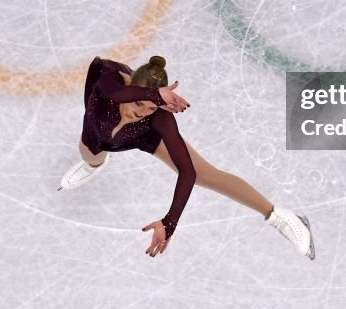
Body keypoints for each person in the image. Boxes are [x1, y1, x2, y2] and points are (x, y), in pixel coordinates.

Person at [60, 55, 315, 259]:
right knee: (89, 153)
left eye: (150, 108)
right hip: (95, 129)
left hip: (140, 137)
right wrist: (153, 96)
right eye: (139, 104)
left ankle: (283, 217)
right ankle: (96, 163)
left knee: (206, 175)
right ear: (131, 87)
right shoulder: (110, 78)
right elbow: (115, 95)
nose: (142, 112)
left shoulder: (156, 118)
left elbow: (188, 172)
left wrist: (169, 223)